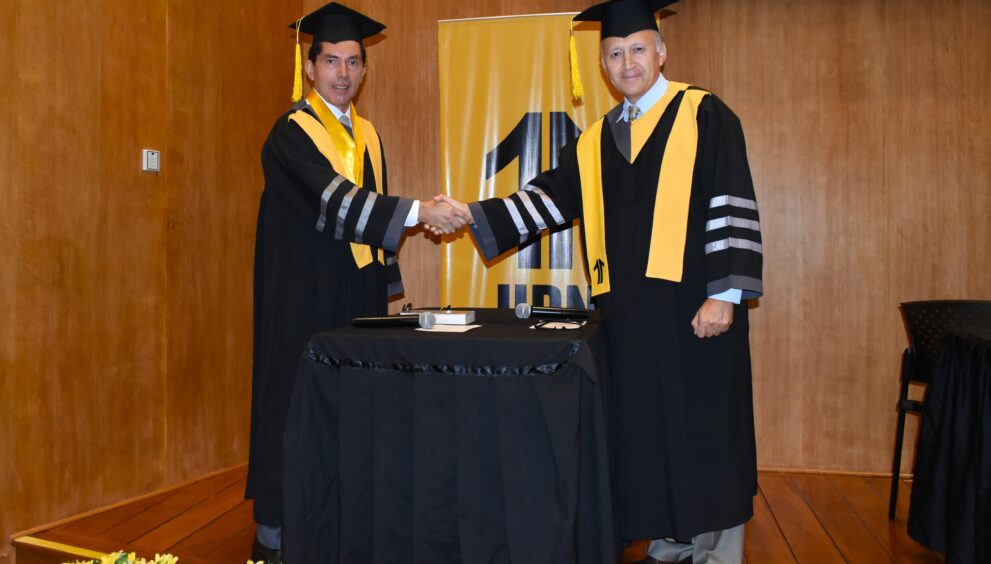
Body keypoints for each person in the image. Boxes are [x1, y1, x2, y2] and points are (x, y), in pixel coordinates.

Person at [439, 0, 763, 561]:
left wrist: (724, 295)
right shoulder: (594, 141)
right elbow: (545, 200)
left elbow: (730, 200)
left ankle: (716, 549)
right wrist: (471, 214)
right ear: (603, 66)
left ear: (662, 52)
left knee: (704, 426)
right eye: (614, 54)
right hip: (629, 314)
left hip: (695, 309)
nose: (627, 63)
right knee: (647, 429)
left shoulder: (704, 114)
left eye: (637, 49)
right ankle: (669, 540)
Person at [246, 3, 467, 562]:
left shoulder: (367, 134)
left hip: (356, 295)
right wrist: (420, 212)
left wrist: (384, 287)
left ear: (365, 70)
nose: (342, 74)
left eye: (352, 63)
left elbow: (371, 213)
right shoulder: (291, 133)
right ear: (309, 67)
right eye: (331, 61)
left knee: (352, 406)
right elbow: (336, 202)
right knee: (296, 406)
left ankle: (339, 521)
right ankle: (276, 531)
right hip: (302, 297)